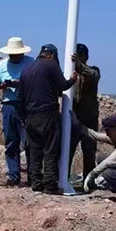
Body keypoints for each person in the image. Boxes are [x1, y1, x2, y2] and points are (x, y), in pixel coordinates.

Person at [19, 43, 78, 194]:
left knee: (35, 150)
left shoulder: (26, 69)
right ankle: (50, 185)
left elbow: (21, 97)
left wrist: (24, 117)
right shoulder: (51, 65)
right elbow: (63, 86)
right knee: (50, 149)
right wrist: (73, 79)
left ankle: (36, 182)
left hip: (30, 115)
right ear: (52, 55)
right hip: (47, 114)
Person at [0, 36, 34, 187]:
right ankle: (13, 175)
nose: (13, 57)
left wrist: (20, 83)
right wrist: (3, 85)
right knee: (11, 141)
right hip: (9, 104)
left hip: (26, 105)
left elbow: (36, 81)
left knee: (29, 141)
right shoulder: (3, 64)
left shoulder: (31, 63)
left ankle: (33, 175)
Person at [69, 44, 100, 181]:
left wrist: (79, 65)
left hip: (89, 119)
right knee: (67, 150)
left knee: (89, 152)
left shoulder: (93, 70)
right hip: (73, 117)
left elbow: (92, 76)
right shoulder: (70, 74)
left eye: (80, 56)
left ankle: (88, 181)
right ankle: (63, 179)